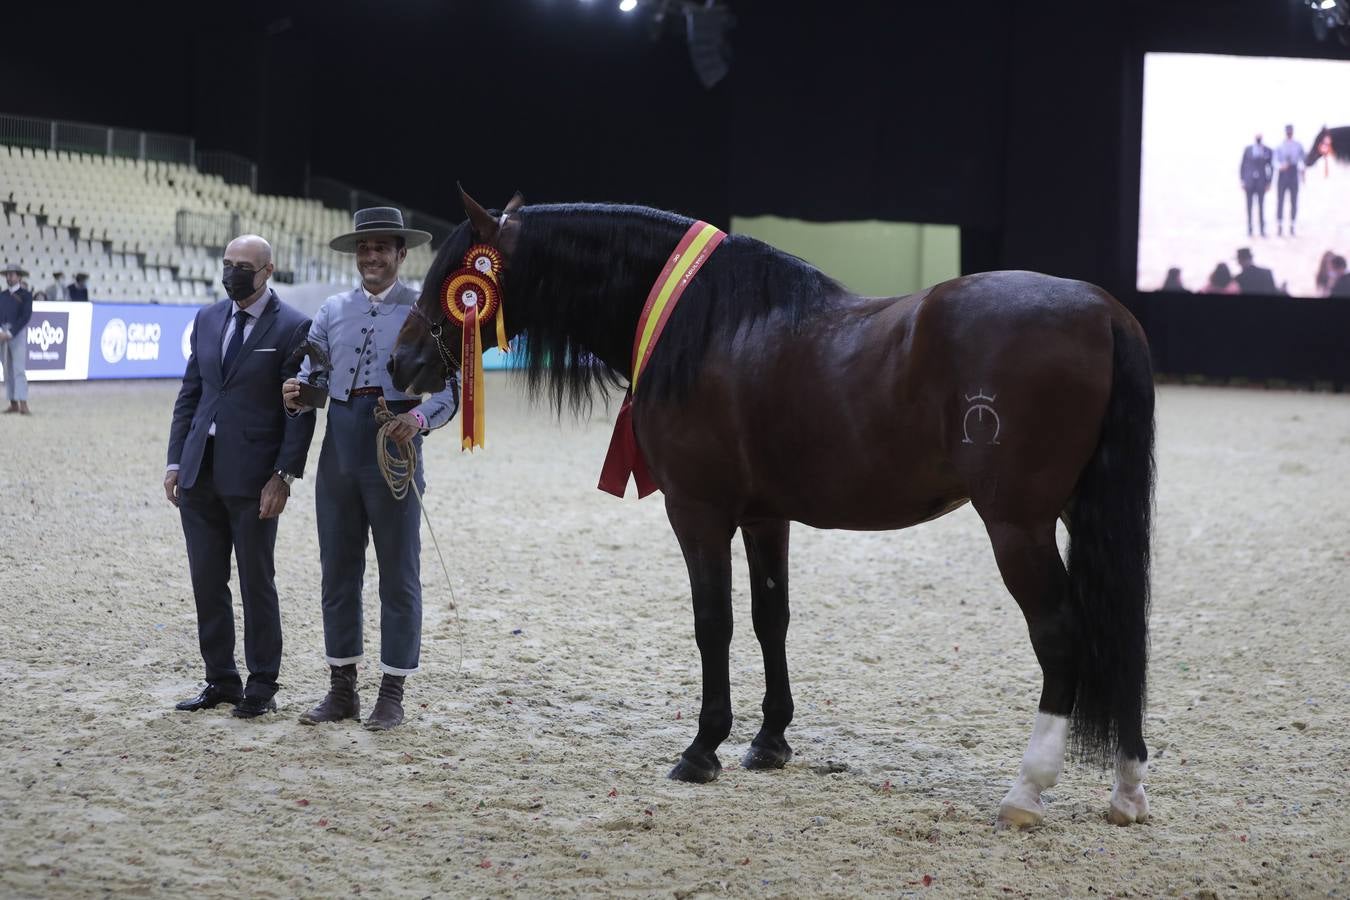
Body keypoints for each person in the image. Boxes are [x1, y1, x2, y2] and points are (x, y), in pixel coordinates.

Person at [283, 207, 459, 731]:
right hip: (338, 445)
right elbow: (313, 377)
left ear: (402, 255)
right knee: (337, 570)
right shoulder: (331, 310)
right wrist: (297, 396)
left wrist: (420, 419)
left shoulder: (424, 310)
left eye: (382, 247)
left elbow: (450, 393)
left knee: (398, 575)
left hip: (394, 444)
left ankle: (392, 692)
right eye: (364, 248)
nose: (372, 256)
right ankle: (342, 689)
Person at [165, 235, 317, 718]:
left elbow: (300, 411)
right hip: (198, 472)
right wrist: (175, 461)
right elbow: (191, 394)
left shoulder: (294, 326)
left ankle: (262, 685)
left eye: (244, 266)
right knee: (207, 582)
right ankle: (221, 680)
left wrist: (284, 476)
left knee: (256, 581)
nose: (232, 272)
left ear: (268, 270)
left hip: (254, 479)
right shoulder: (207, 318)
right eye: (227, 264)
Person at [0, 264, 34, 415]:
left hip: (17, 334)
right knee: (7, 371)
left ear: (19, 277)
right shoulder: (2, 295)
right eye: (7, 274)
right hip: (2, 334)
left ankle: (23, 402)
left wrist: (11, 332)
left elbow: (25, 317)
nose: (9, 277)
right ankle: (13, 402)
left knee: (19, 369)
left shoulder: (26, 295)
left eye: (12, 274)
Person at [1239, 133, 1273, 238]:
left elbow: (1270, 167)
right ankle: (1250, 229)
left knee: (1261, 207)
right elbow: (1242, 165)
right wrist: (1242, 180)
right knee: (1249, 207)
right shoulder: (1248, 149)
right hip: (1249, 182)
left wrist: (1269, 182)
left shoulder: (1267, 150)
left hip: (1261, 183)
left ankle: (1262, 230)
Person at [1274, 125, 1305, 237]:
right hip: (1283, 174)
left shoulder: (1298, 145)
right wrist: (1280, 166)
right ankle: (1280, 225)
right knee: (1280, 201)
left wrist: (1301, 170)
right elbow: (1275, 161)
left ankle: (1292, 225)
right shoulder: (1280, 146)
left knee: (1294, 201)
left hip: (1293, 173)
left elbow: (1303, 159)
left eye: (1290, 132)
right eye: (1288, 132)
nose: (1289, 134)